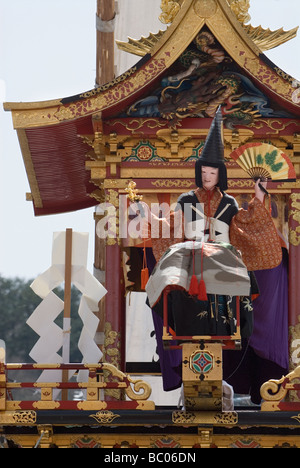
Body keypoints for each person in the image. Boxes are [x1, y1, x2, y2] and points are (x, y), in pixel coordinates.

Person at [143, 107, 285, 398]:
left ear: (220, 175)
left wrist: (259, 195)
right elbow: (172, 226)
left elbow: (246, 224)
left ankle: (233, 324)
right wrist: (147, 217)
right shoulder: (185, 199)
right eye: (204, 172)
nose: (208, 177)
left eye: (213, 173)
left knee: (242, 280)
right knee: (173, 274)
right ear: (199, 173)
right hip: (191, 257)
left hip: (221, 258)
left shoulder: (230, 203)